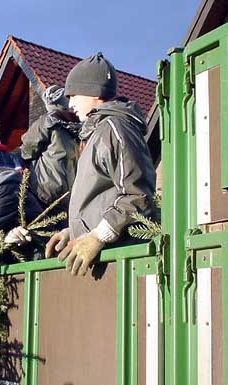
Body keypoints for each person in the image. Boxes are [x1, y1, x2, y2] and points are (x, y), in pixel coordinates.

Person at [44, 52, 157, 276]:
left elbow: (136, 195)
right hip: (104, 261)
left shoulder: (115, 128)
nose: (71, 102)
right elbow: (103, 196)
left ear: (93, 92)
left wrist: (98, 236)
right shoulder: (96, 133)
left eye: (74, 94)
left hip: (119, 264)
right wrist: (75, 230)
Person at [19, 85, 81, 208]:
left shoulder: (46, 122)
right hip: (73, 193)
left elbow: (27, 150)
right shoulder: (79, 126)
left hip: (46, 190)